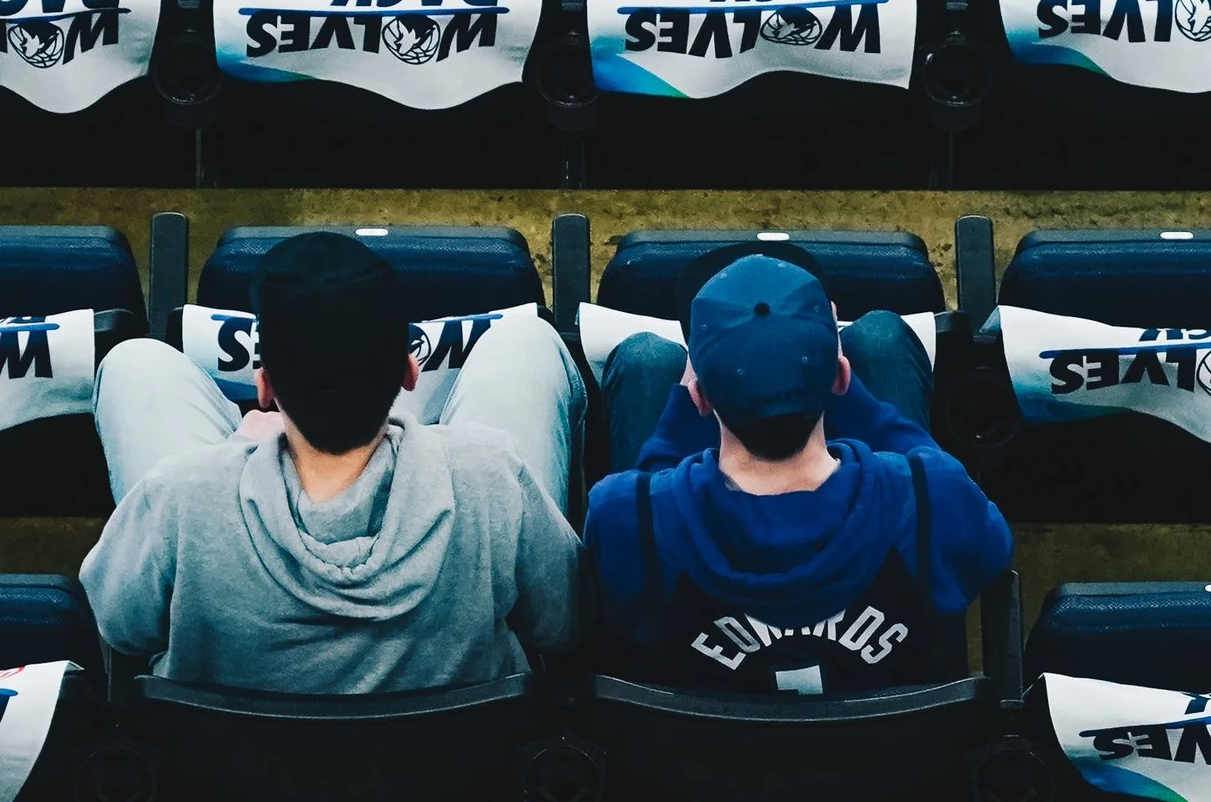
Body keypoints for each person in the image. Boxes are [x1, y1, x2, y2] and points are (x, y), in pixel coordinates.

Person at [83, 228, 584, 690]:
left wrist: (236, 453)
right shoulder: (492, 476)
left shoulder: (180, 496)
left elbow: (123, 628)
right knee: (525, 341)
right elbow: (562, 623)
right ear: (410, 373)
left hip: (230, 759)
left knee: (136, 360)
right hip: (463, 757)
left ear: (265, 387)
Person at [583, 252, 1011, 693]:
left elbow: (654, 513)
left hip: (693, 739)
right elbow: (990, 548)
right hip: (901, 739)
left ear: (700, 398)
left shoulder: (624, 512)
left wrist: (688, 407)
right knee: (881, 332)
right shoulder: (934, 493)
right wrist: (831, 371)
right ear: (841, 377)